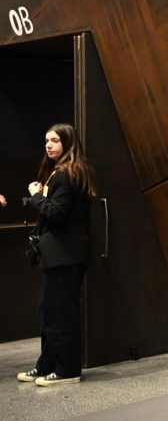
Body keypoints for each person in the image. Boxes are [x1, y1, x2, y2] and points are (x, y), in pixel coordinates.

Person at [18, 124, 95, 388]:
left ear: (67, 143)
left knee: (62, 314)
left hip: (66, 254)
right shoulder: (61, 173)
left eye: (55, 141)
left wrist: (37, 195)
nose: (49, 145)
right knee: (50, 312)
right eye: (46, 140)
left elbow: (56, 213)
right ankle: (47, 365)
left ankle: (67, 369)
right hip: (59, 255)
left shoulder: (68, 173)